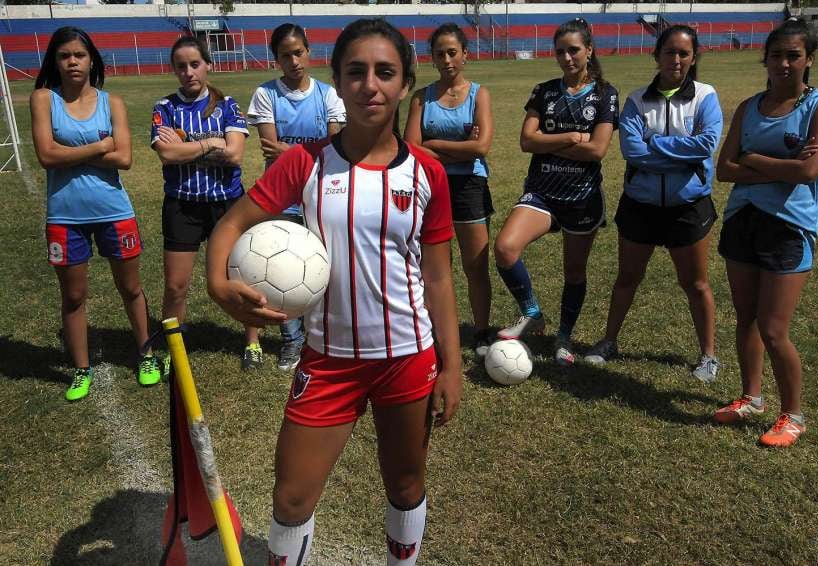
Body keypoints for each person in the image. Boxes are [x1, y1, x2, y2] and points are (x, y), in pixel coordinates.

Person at [206, 18, 462, 564]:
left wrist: (453, 365)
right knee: (292, 495)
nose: (371, 85)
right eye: (356, 72)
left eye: (385, 72)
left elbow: (438, 276)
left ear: (404, 82)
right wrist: (217, 281)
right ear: (338, 82)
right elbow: (232, 224)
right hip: (328, 361)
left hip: (407, 359)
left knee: (405, 485)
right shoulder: (305, 163)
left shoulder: (428, 174)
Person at [713, 19, 818, 447]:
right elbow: (722, 170)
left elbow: (807, 171)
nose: (783, 63)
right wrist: (774, 166)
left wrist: (751, 159)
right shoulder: (750, 107)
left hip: (789, 227)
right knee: (746, 319)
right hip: (742, 221)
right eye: (776, 55)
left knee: (773, 328)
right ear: (764, 57)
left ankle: (795, 415)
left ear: (809, 59)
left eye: (793, 55)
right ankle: (751, 397)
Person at [584, 25, 723, 384]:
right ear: (656, 55)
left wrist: (655, 144)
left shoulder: (705, 96)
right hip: (640, 205)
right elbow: (632, 150)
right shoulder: (636, 100)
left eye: (684, 53)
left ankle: (708, 355)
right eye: (669, 52)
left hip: (687, 206)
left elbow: (705, 144)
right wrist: (678, 151)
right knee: (627, 278)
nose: (676, 60)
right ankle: (609, 340)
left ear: (693, 58)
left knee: (695, 284)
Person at [31, 27, 161, 401]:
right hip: (64, 216)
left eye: (79, 55)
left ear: (92, 60)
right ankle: (81, 368)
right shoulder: (44, 99)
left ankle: (147, 354)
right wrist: (100, 144)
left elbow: (125, 158)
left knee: (131, 288)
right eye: (64, 55)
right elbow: (46, 155)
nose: (72, 62)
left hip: (114, 210)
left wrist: (74, 150)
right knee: (73, 296)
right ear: (54, 61)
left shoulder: (112, 102)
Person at [491, 18, 618, 366]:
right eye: (560, 51)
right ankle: (532, 312)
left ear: (589, 50)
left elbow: (597, 150)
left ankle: (563, 337)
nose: (566, 58)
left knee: (574, 272)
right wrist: (569, 138)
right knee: (505, 247)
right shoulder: (544, 90)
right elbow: (525, 140)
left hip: (582, 196)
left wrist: (547, 145)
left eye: (574, 50)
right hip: (542, 193)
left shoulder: (605, 93)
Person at [245, 23, 347, 372]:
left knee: (322, 267)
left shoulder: (328, 95)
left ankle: (323, 335)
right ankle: (292, 340)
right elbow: (271, 149)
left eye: (298, 52)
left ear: (309, 52)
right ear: (276, 59)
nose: (294, 60)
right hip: (281, 197)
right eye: (285, 55)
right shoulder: (265, 94)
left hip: (321, 195)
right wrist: (307, 152)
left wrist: (291, 152)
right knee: (283, 271)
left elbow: (333, 148)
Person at [150, 36, 248, 371]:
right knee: (176, 286)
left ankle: (251, 342)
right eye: (181, 66)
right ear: (174, 69)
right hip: (183, 206)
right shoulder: (165, 107)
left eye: (195, 64)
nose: (189, 72)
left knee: (244, 275)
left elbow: (234, 154)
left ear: (208, 65)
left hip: (227, 205)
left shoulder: (228, 105)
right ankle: (175, 348)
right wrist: (210, 142)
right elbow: (167, 154)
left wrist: (187, 149)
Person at [403, 23, 494, 359]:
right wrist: (461, 146)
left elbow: (481, 147)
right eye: (439, 53)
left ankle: (481, 331)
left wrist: (435, 144)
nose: (446, 59)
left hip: (470, 186)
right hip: (427, 186)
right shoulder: (420, 98)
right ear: (433, 58)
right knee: (431, 268)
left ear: (465, 55)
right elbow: (411, 147)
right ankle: (434, 331)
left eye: (452, 52)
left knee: (475, 266)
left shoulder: (479, 94)